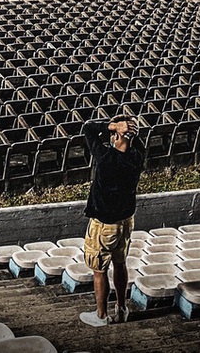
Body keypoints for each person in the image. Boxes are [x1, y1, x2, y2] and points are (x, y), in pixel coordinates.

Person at [79, 114, 145, 327]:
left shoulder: (106, 159)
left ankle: (100, 315)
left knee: (99, 269)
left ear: (117, 137)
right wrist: (128, 130)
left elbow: (88, 128)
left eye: (113, 134)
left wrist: (113, 125)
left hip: (104, 224)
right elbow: (136, 142)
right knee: (120, 263)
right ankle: (122, 308)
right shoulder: (137, 156)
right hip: (125, 222)